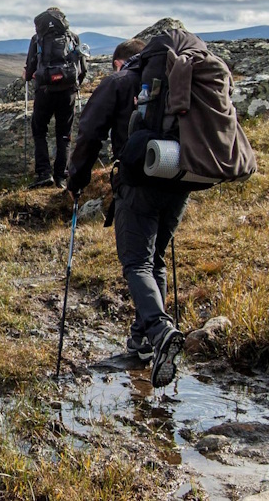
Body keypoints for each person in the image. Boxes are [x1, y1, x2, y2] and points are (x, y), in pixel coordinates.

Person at [65, 36, 185, 388]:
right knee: (154, 260)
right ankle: (142, 344)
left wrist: (76, 179)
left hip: (139, 181)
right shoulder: (179, 79)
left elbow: (89, 133)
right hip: (180, 176)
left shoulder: (118, 81)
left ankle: (160, 333)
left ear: (122, 61)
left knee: (137, 263)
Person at [23, 7, 85, 189]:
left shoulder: (37, 39)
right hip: (67, 92)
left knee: (39, 130)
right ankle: (61, 177)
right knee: (64, 134)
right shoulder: (73, 38)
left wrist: (27, 75)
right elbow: (82, 69)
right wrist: (75, 85)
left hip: (45, 92)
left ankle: (44, 173)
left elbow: (30, 69)